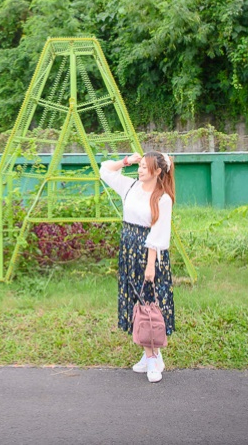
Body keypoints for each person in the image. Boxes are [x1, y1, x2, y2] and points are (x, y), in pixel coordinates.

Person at [100, 150, 175, 383]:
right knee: (137, 303)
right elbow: (104, 170)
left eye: (145, 166)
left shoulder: (162, 198)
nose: (140, 169)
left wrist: (150, 265)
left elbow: (158, 233)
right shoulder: (130, 187)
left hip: (147, 255)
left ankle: (152, 358)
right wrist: (125, 161)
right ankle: (152, 355)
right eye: (140, 165)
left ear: (158, 171)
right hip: (129, 253)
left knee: (149, 303)